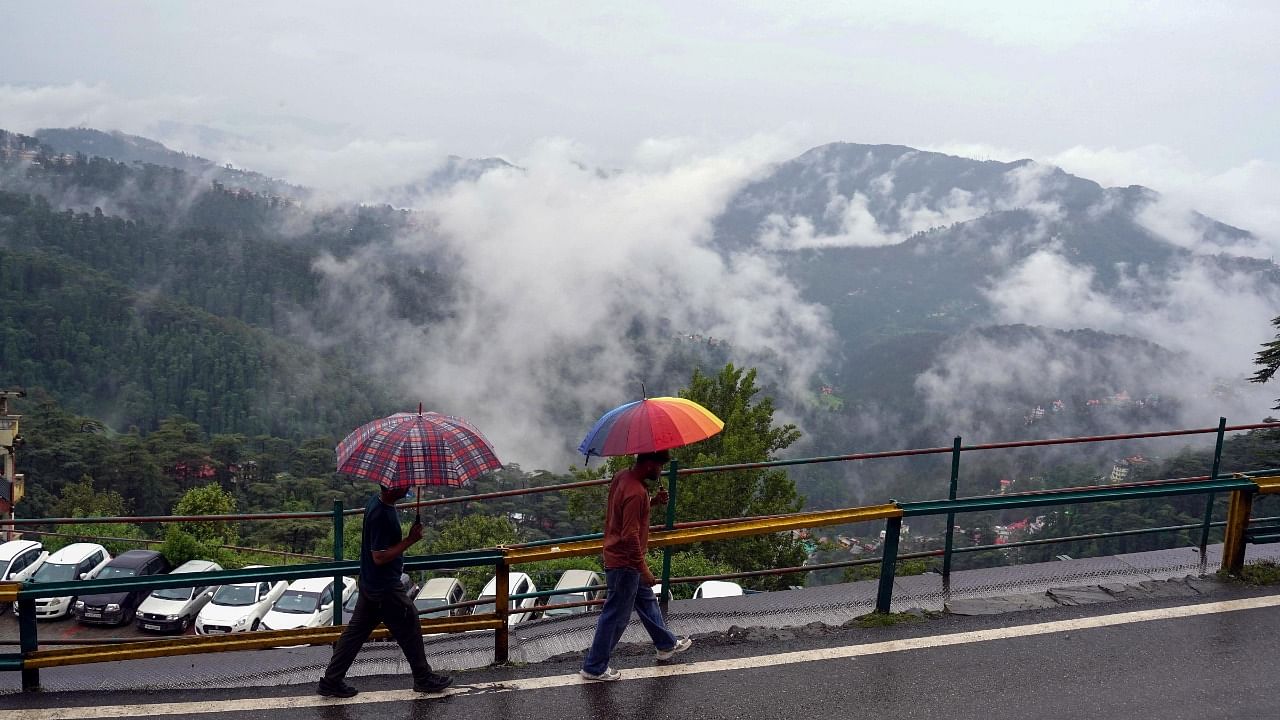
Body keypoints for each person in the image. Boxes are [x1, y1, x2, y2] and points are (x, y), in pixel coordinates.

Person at [317, 483, 452, 698]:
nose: (407, 488)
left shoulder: (378, 503)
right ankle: (423, 678)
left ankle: (331, 681)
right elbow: (378, 557)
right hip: (384, 586)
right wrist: (410, 540)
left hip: (370, 582)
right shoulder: (381, 514)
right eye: (403, 485)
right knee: (410, 623)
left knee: (354, 634)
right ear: (391, 488)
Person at [580, 450, 692, 681]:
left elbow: (625, 514)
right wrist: (644, 569)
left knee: (647, 601)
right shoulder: (636, 492)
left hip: (621, 558)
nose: (660, 471)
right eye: (660, 467)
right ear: (650, 465)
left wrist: (653, 502)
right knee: (615, 616)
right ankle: (594, 667)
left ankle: (665, 644)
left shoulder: (623, 477)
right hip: (626, 563)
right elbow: (630, 534)